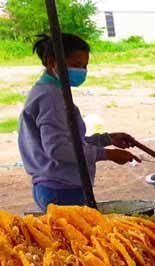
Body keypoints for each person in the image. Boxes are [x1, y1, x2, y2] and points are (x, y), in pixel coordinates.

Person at [18, 33, 140, 211]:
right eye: (76, 65)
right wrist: (106, 154)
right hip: (61, 188)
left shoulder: (51, 91)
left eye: (85, 66)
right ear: (53, 62)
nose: (82, 71)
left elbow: (70, 141)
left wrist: (106, 139)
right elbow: (58, 148)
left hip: (59, 185)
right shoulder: (51, 96)